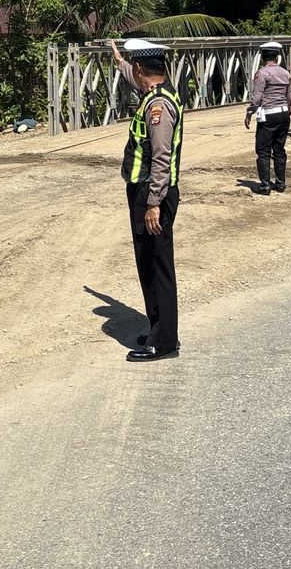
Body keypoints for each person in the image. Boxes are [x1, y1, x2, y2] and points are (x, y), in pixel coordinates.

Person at [109, 38, 183, 362]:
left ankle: (165, 340)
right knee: (148, 264)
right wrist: (118, 60)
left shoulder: (158, 107)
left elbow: (161, 157)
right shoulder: (158, 94)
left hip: (152, 194)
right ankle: (157, 330)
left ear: (141, 68)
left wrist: (153, 202)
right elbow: (130, 73)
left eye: (132, 67)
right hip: (147, 193)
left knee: (158, 266)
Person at [245, 40, 291, 193]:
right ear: (277, 56)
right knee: (279, 149)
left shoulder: (263, 73)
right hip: (284, 113)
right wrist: (288, 111)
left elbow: (258, 98)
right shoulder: (286, 73)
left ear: (262, 56)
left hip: (268, 115)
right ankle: (280, 183)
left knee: (263, 149)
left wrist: (249, 112)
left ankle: (265, 185)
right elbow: (290, 97)